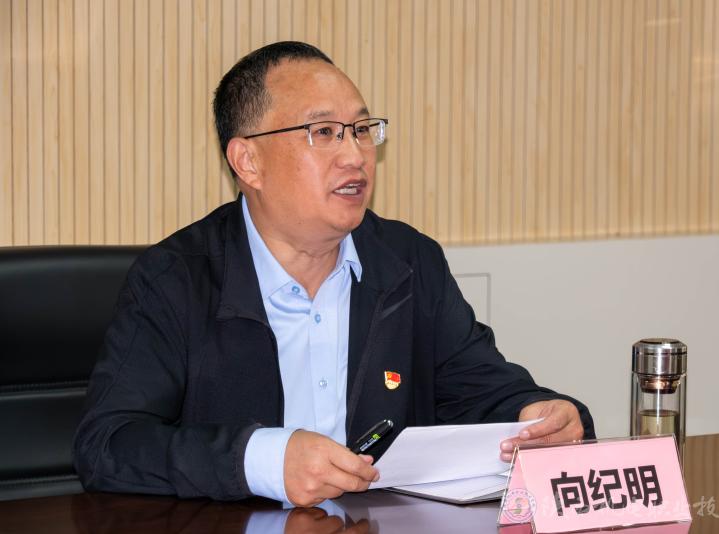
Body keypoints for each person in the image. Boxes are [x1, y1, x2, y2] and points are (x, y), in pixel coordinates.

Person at [73, 41, 595, 508]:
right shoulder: (176, 278)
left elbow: (480, 388)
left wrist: (537, 413)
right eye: (323, 132)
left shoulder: (408, 261)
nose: (356, 156)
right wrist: (263, 460)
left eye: (362, 131)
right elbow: (108, 445)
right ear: (247, 161)